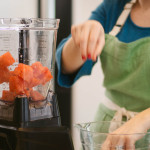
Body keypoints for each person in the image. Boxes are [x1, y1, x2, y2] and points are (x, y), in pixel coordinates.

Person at [56, 0, 150, 148]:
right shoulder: (114, 7)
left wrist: (143, 119)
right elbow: (66, 67)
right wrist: (81, 40)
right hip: (106, 134)